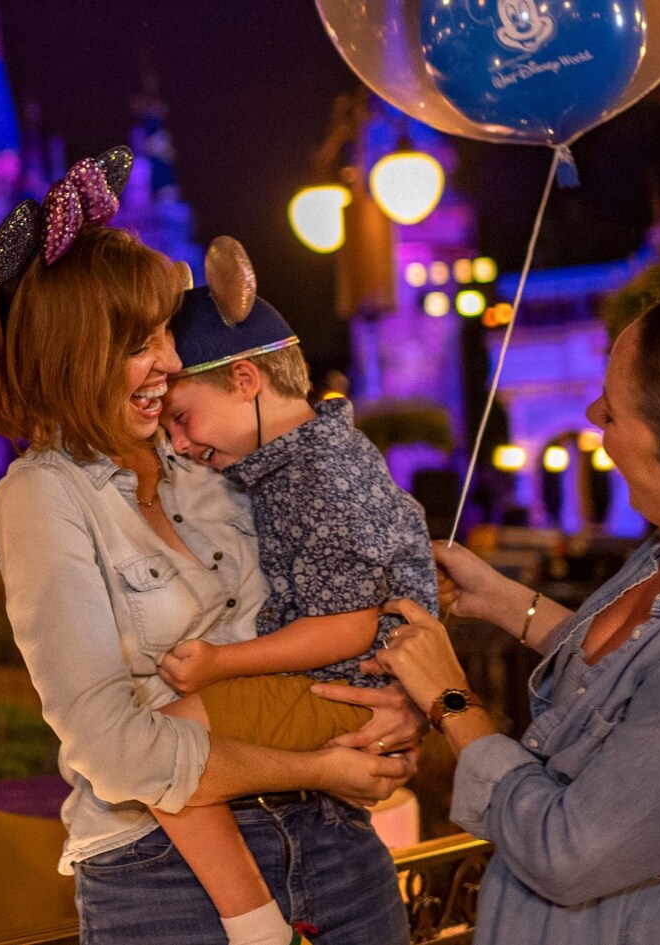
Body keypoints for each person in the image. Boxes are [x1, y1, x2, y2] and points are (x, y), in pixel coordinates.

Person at [0, 149, 420, 945]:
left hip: (333, 839)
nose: (170, 362)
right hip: (162, 877)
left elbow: (342, 589)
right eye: (142, 343)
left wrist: (398, 700)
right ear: (77, 353)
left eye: (165, 337)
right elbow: (117, 747)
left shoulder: (211, 457)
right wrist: (316, 762)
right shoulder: (43, 497)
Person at [373, 289, 660, 943]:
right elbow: (642, 679)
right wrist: (504, 601)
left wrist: (451, 698)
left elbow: (567, 850)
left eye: (617, 408)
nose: (593, 410)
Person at [148, 245, 437, 941]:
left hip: (342, 684)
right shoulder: (304, 456)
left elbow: (343, 628)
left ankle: (253, 925)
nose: (181, 444)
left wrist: (219, 663)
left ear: (246, 377)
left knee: (166, 741)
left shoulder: (317, 477)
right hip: (347, 682)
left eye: (183, 417)